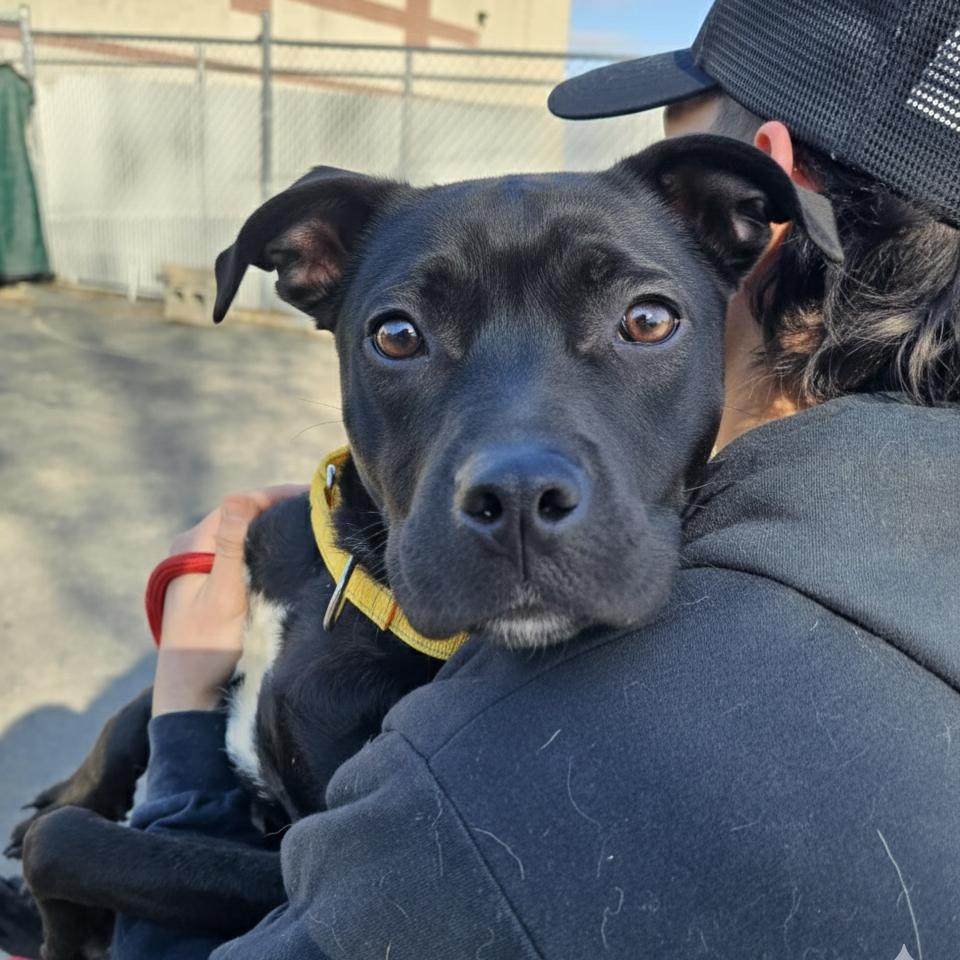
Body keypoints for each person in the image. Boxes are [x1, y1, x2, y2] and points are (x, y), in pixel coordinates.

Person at [115, 0, 960, 956]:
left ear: (759, 215)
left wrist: (182, 717)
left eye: (642, 321)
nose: (516, 471)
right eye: (401, 336)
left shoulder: (489, 794)